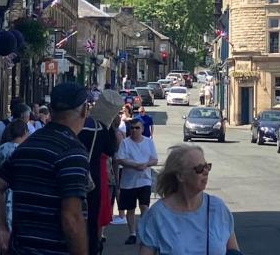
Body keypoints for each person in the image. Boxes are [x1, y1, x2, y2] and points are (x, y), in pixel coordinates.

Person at [0, 82, 90, 255]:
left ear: (51, 110)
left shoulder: (28, 145)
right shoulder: (72, 152)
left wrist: (1, 229)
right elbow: (71, 218)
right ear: (84, 110)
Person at [138, 144, 241, 255]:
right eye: (199, 169)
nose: (206, 172)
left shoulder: (218, 209)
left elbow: (234, 251)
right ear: (181, 176)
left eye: (207, 167)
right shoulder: (156, 216)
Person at [79, 90, 123, 255]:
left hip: (73, 172)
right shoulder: (101, 130)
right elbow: (110, 150)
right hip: (94, 177)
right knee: (92, 216)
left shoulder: (79, 124)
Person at [116, 117, 158, 245]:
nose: (134, 130)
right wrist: (134, 165)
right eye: (132, 128)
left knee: (144, 206)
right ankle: (132, 234)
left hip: (144, 180)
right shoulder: (125, 143)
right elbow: (120, 159)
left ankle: (144, 232)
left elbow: (154, 159)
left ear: (142, 129)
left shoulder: (148, 142)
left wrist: (145, 164)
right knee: (130, 209)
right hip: (128, 182)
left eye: (137, 128)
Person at [0, 119, 30, 229]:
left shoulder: (2, 148)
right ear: (24, 132)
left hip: (1, 188)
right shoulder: (22, 150)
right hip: (17, 190)